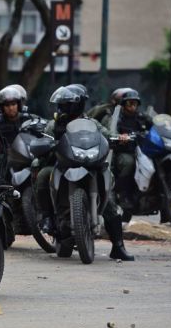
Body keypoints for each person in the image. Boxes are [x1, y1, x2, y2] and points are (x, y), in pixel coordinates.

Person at [35, 84, 134, 261]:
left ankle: (118, 246)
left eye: (66, 104)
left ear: (77, 104)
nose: (62, 108)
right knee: (43, 175)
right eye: (61, 104)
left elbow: (106, 134)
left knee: (110, 200)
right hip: (63, 166)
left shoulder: (91, 123)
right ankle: (47, 217)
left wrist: (118, 138)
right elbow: (44, 138)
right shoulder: (54, 124)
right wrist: (45, 143)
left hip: (92, 165)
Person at [101, 89, 154, 211]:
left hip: (141, 151)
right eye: (129, 103)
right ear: (123, 105)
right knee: (128, 162)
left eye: (135, 104)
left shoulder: (140, 116)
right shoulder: (114, 117)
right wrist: (120, 136)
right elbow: (110, 131)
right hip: (121, 151)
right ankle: (123, 194)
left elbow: (155, 124)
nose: (133, 106)